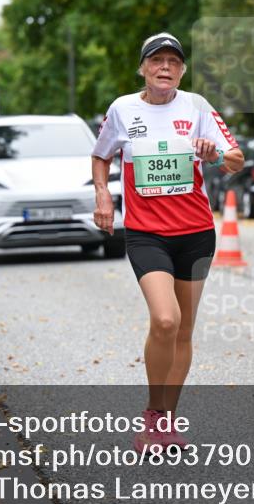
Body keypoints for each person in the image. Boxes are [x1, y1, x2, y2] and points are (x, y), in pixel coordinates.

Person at [91, 32, 245, 451]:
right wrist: (103, 193)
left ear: (182, 70)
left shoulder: (196, 107)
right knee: (165, 319)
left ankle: (164, 421)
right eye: (156, 60)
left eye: (173, 62)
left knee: (184, 329)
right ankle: (153, 411)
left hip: (195, 232)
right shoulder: (123, 109)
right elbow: (101, 154)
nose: (165, 68)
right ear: (142, 68)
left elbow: (236, 159)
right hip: (146, 233)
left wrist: (213, 154)